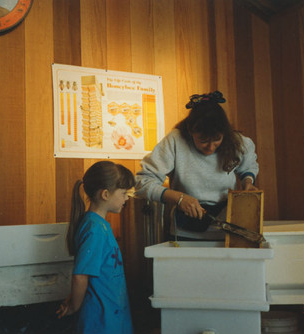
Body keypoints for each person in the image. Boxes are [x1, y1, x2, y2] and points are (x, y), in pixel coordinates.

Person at [135, 90, 259, 240]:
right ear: (190, 130)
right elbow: (143, 183)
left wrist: (248, 182)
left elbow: (248, 166)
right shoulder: (175, 140)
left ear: (224, 133)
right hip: (185, 232)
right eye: (203, 140)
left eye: (217, 140)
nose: (211, 147)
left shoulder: (238, 141)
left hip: (226, 229)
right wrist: (179, 198)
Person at [57, 161, 135, 334]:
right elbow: (80, 276)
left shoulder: (99, 225)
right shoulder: (94, 229)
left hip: (111, 315)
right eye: (123, 193)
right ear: (105, 194)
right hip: (101, 321)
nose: (127, 198)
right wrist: (74, 307)